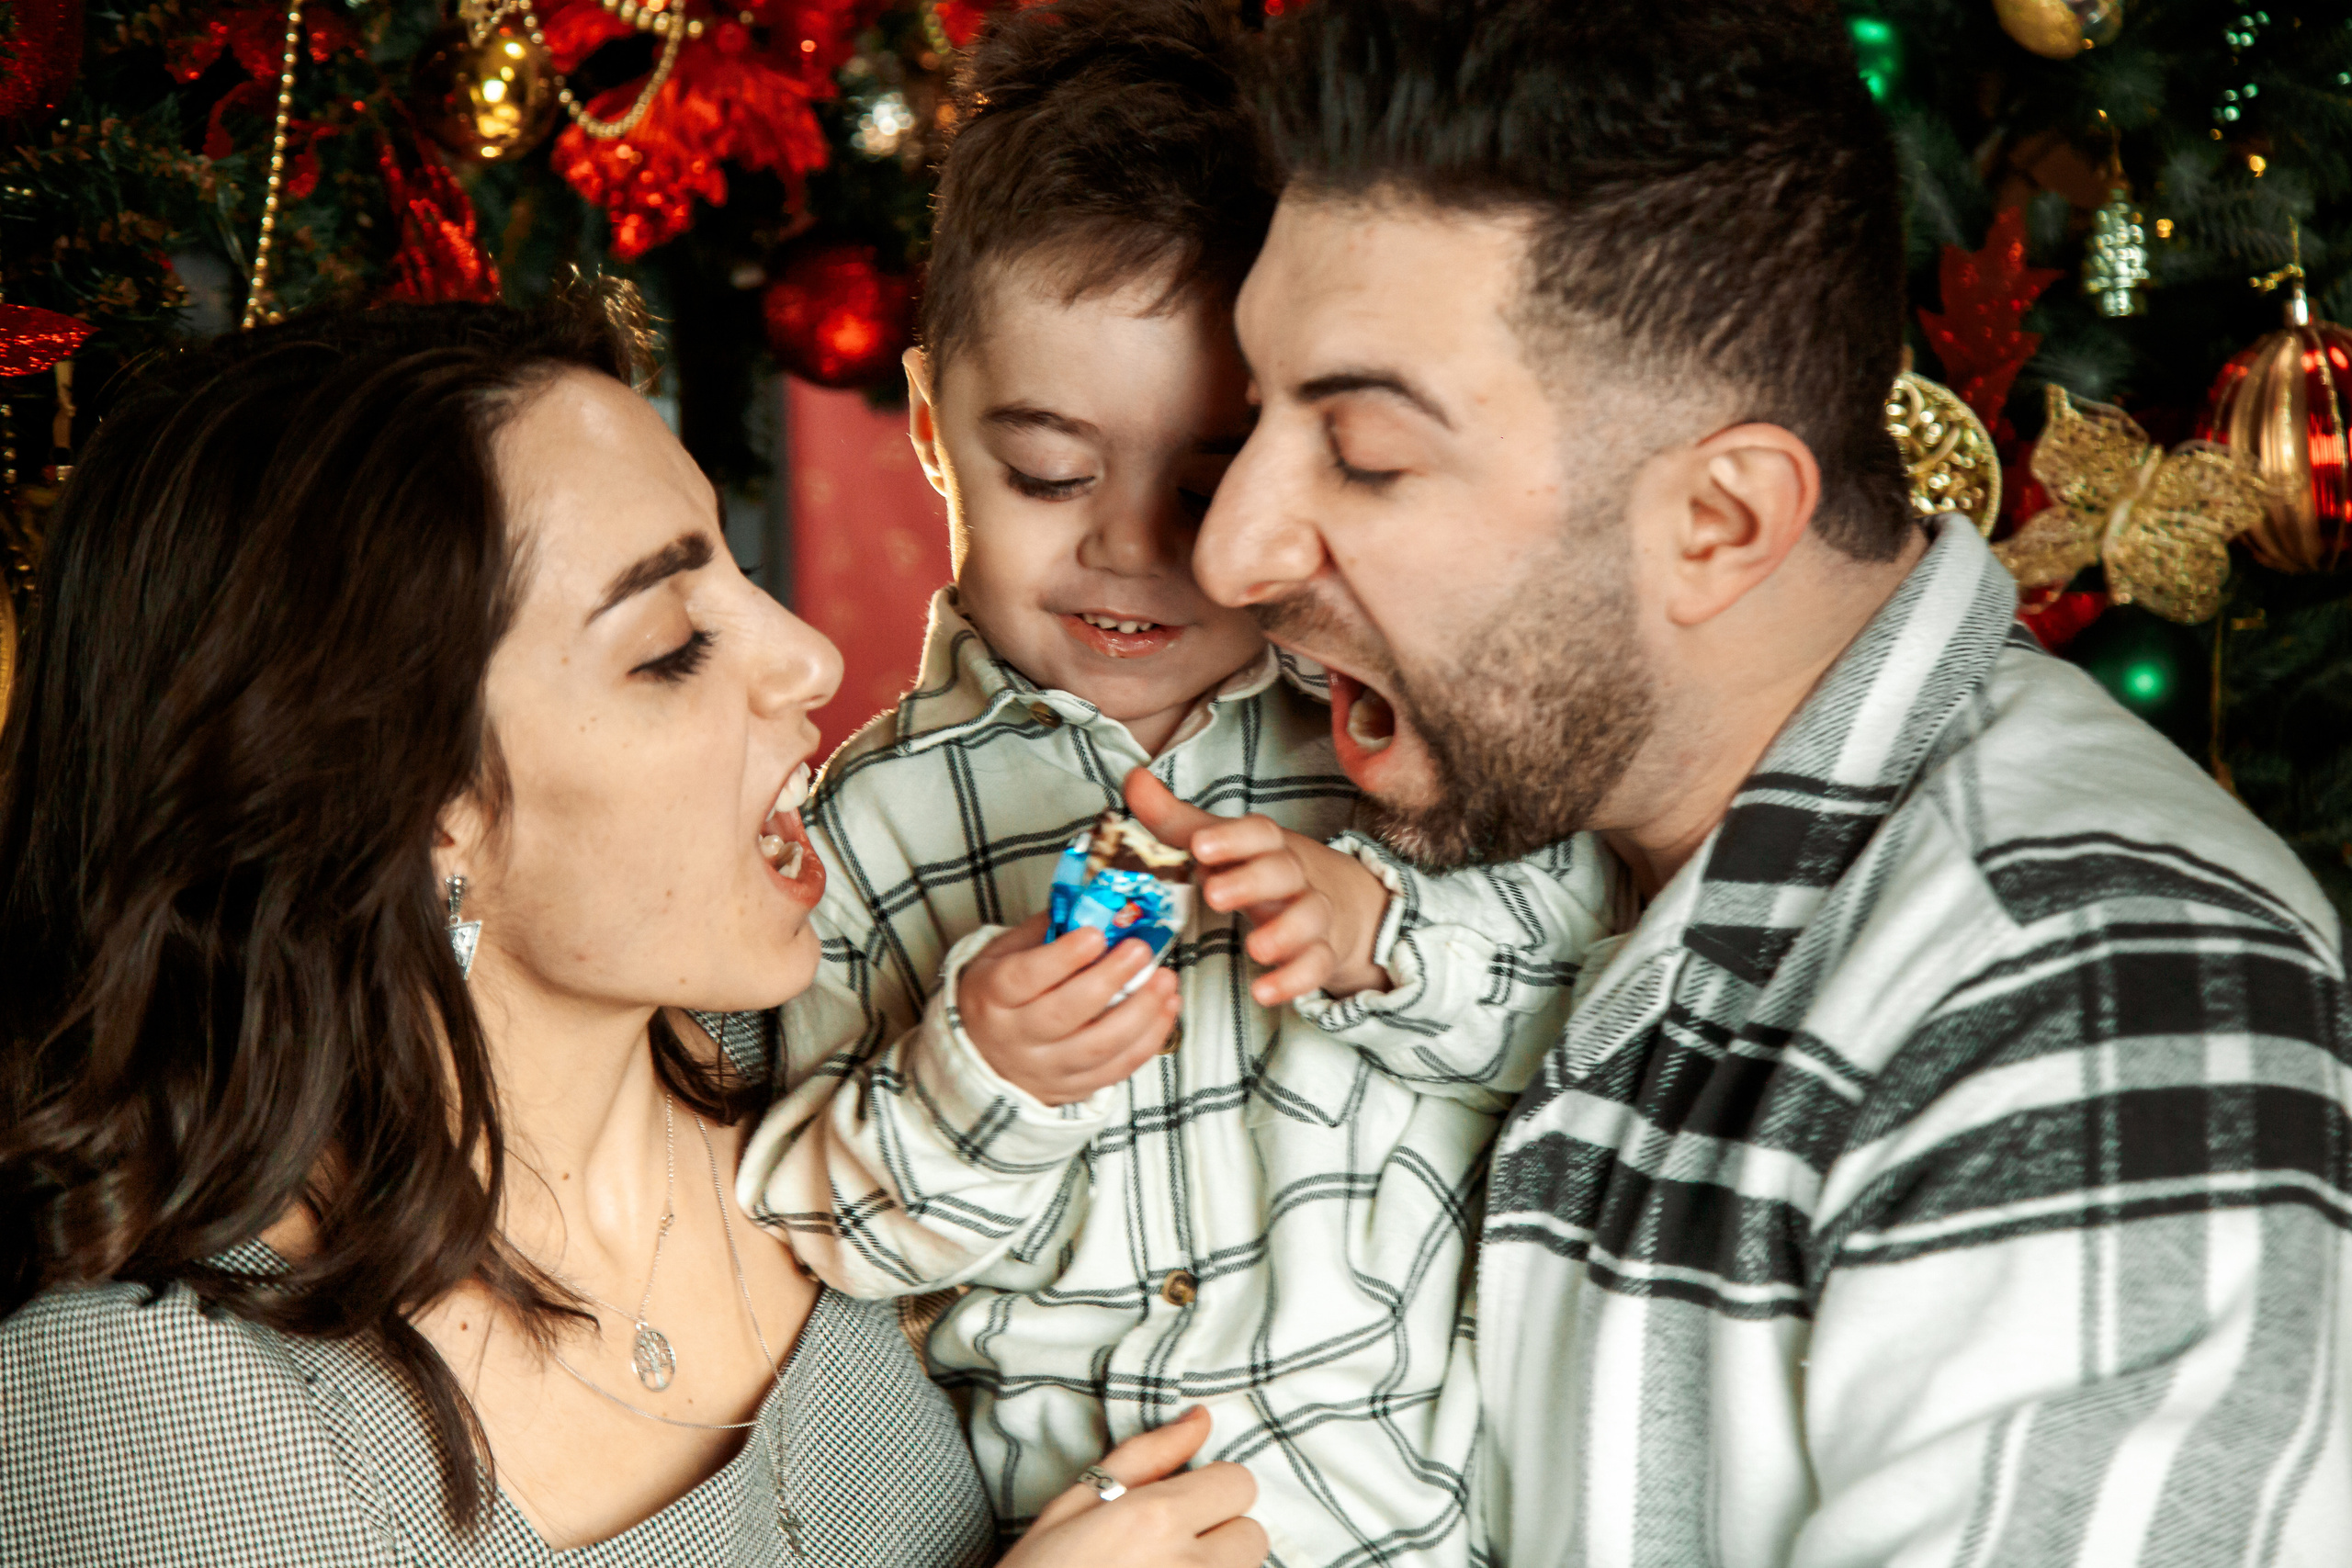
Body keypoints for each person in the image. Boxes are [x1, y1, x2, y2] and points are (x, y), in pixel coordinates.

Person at [1193, 2, 2352, 1564]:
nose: (1229, 548)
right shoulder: (1465, 810)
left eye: (1368, 454)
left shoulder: (2092, 985)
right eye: (1252, 418)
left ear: (1723, 524)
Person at [0, 285, 1262, 1568]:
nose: (810, 658)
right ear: (410, 801)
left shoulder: (835, 1061)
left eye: (742, 570)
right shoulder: (132, 1409)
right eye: (670, 647)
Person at [731, 4, 1611, 1563]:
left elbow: (1591, 1025)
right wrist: (984, 1083)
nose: (1129, 548)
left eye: (1203, 487)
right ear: (933, 428)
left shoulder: (1406, 752)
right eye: (1052, 473)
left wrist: (1379, 941)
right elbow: (814, 1238)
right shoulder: (857, 829)